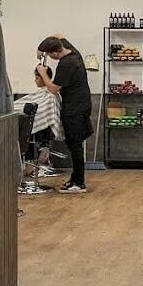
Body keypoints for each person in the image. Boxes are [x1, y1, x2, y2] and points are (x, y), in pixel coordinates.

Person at [35, 35, 93, 193]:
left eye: (48, 55)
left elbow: (53, 89)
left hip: (75, 108)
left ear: (54, 53)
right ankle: (75, 178)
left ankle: (79, 183)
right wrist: (40, 49)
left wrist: (43, 72)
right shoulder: (73, 52)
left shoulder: (66, 64)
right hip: (81, 104)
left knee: (75, 145)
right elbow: (59, 34)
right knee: (73, 144)